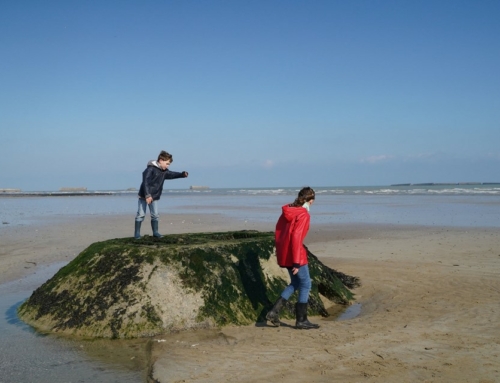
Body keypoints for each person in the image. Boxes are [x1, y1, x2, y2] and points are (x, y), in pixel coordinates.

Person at [266, 186, 320, 329]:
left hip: (286, 253)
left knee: (295, 283)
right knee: (306, 284)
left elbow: (278, 233)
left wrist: (284, 255)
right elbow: (296, 238)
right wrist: (296, 262)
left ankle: (273, 312)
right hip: (296, 255)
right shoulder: (303, 214)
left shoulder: (288, 212)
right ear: (311, 201)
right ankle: (301, 320)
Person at [134, 150, 188, 239]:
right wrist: (147, 195)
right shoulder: (150, 169)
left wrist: (182, 174)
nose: (168, 166)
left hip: (154, 196)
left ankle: (155, 232)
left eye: (169, 164)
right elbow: (145, 182)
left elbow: (171, 174)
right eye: (167, 164)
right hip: (144, 195)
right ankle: (137, 234)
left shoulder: (164, 171)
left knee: (155, 215)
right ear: (161, 160)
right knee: (140, 214)